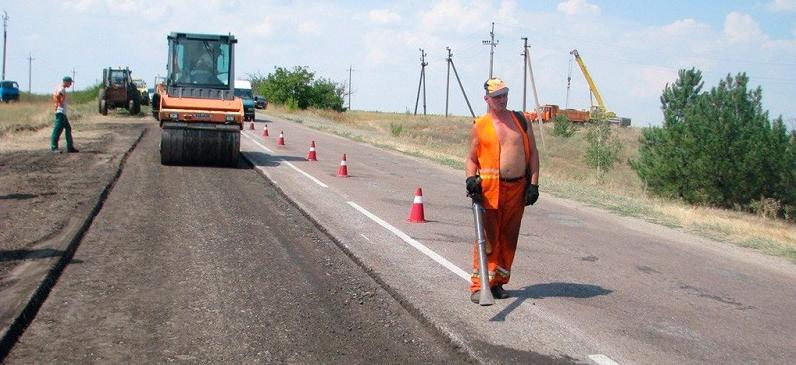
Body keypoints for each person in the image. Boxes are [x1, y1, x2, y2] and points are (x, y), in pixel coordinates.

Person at [465, 77, 539, 303]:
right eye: (497, 96)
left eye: (505, 95)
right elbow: (471, 159)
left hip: (517, 189)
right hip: (490, 190)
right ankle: (479, 286)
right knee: (488, 240)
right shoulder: (481, 125)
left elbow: (534, 154)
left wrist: (534, 184)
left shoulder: (521, 120)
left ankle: (497, 282)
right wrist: (471, 180)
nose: (502, 100)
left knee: (508, 239)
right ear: (487, 99)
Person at [50, 76, 78, 153]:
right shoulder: (61, 88)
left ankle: (70, 147)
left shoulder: (58, 87)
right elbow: (58, 95)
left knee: (68, 128)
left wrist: (58, 103)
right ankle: (54, 148)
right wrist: (60, 103)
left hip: (62, 113)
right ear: (66, 82)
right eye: (70, 82)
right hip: (61, 112)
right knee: (57, 130)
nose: (70, 84)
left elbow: (54, 96)